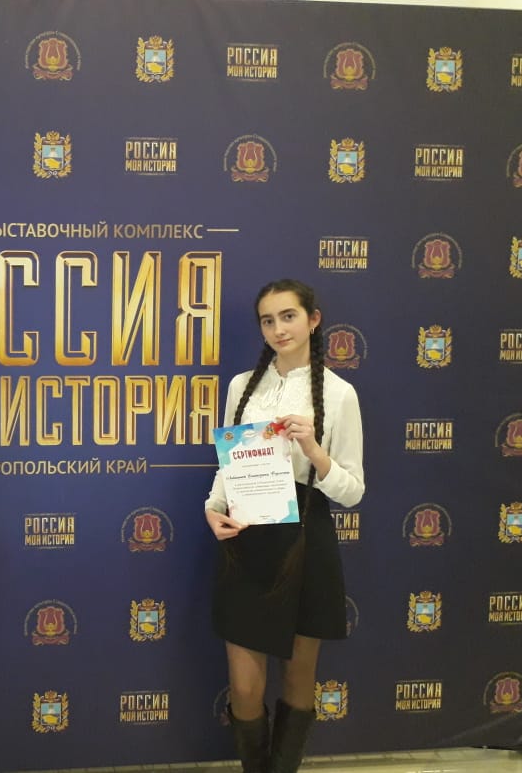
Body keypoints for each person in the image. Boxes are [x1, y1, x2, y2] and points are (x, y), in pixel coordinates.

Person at [204, 279, 364, 773]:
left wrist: (313, 449)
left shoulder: (339, 394)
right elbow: (229, 462)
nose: (278, 329)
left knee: (298, 679)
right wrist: (213, 507)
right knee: (244, 687)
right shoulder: (241, 386)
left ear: (313, 320)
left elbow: (353, 491)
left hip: (306, 538)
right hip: (249, 538)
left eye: (288, 316)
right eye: (268, 320)